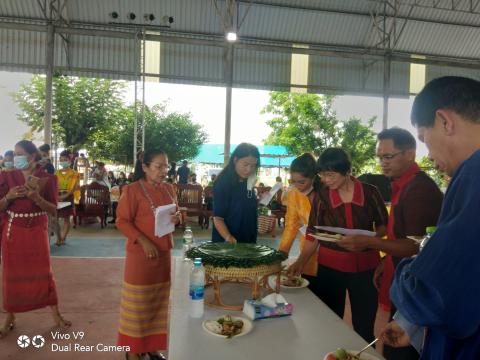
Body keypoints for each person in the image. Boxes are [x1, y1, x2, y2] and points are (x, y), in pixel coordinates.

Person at [380, 77, 480, 359]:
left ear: (445, 121)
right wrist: (410, 323)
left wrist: (407, 274)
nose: (430, 154)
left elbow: (434, 295)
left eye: (424, 139)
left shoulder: (473, 174)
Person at [336, 128, 443, 359]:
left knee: (400, 349)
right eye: (379, 157)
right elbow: (401, 236)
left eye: (388, 156)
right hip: (403, 279)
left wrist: (370, 243)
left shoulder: (419, 190)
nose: (382, 163)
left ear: (410, 154)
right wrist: (386, 262)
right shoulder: (402, 185)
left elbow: (416, 246)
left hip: (416, 287)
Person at [288, 148, 388, 343]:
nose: (325, 180)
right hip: (330, 268)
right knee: (329, 321)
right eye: (322, 175)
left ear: (347, 171)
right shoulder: (322, 197)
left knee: (364, 324)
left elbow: (384, 225)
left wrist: (370, 239)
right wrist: (300, 262)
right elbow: (313, 234)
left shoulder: (370, 193)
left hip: (366, 268)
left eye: (330, 175)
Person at [0, 140, 70, 338]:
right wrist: (9, 197)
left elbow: (53, 210)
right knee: (11, 275)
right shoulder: (6, 176)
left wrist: (36, 198)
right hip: (13, 232)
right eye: (13, 154)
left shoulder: (47, 178)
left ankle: (56, 315)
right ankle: (10, 317)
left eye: (19, 153)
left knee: (44, 273)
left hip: (38, 230)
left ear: (31, 156)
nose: (15, 158)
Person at [116, 149, 181, 360]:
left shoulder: (169, 188)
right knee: (138, 306)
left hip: (163, 254)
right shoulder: (132, 190)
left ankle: (152, 347)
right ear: (145, 167)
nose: (164, 171)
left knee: (158, 303)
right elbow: (122, 221)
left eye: (166, 166)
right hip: (140, 257)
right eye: (158, 166)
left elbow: (174, 213)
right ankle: (133, 351)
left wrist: (177, 217)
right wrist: (143, 241)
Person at [278, 153, 320, 295]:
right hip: (307, 247)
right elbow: (291, 225)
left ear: (314, 177)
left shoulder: (326, 192)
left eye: (302, 182)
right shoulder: (294, 193)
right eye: (293, 181)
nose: (297, 186)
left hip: (329, 251)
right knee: (310, 289)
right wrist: (281, 255)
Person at [212, 143, 260, 244]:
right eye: (245, 164)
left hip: (248, 238)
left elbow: (244, 205)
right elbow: (218, 218)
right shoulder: (223, 182)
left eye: (253, 166)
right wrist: (229, 238)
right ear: (235, 160)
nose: (249, 170)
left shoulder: (248, 180)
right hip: (227, 242)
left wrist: (261, 200)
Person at [55, 150, 80, 246]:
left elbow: (75, 187)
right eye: (61, 160)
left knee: (66, 219)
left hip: (68, 197)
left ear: (70, 161)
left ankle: (63, 238)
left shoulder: (74, 174)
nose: (62, 161)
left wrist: (65, 195)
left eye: (65, 159)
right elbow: (53, 186)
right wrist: (57, 196)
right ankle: (58, 237)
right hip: (57, 196)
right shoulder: (56, 173)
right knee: (54, 219)